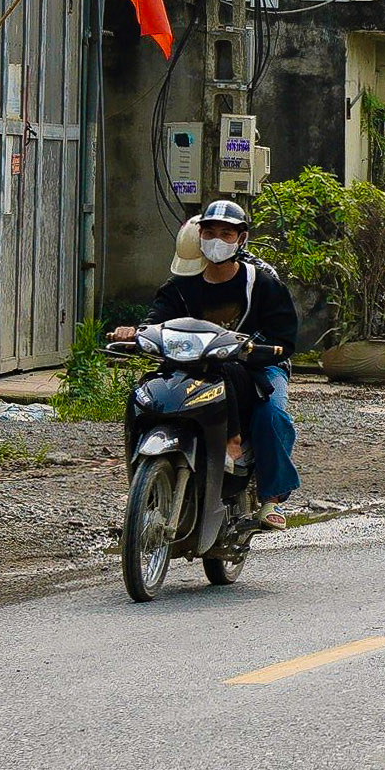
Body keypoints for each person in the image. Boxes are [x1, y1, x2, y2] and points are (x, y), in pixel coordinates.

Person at [113, 200, 301, 527]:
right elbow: (155, 321)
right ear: (198, 236)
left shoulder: (262, 283)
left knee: (272, 414)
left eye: (226, 233)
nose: (217, 239)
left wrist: (259, 349)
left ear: (241, 239)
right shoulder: (181, 285)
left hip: (257, 365)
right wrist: (135, 333)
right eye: (210, 232)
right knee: (151, 396)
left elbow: (284, 339)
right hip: (195, 364)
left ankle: (271, 498)